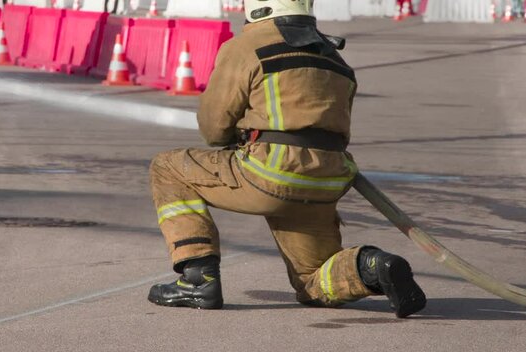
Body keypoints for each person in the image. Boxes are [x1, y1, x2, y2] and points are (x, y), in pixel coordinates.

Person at [147, 0, 426, 318]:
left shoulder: (247, 45)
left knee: (168, 167)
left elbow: (214, 130)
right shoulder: (334, 58)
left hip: (273, 172)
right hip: (328, 179)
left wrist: (240, 133)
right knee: (313, 282)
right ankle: (372, 267)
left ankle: (198, 279)